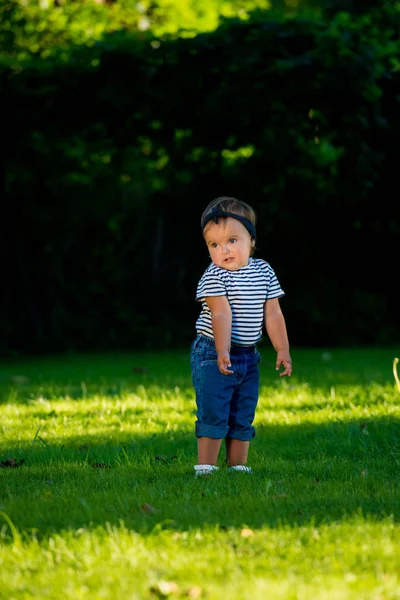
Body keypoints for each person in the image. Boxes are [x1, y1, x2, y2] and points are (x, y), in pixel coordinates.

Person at [190, 196, 292, 477]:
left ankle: (238, 466)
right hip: (213, 352)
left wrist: (282, 349)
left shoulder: (264, 271)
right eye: (214, 244)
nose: (224, 250)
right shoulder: (213, 276)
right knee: (214, 409)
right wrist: (222, 350)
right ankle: (206, 467)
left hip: (248, 355)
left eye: (232, 240)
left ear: (251, 241)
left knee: (243, 411)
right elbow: (221, 314)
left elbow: (273, 313)